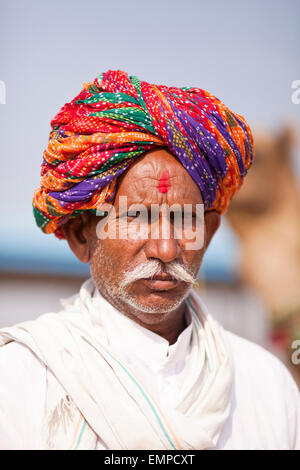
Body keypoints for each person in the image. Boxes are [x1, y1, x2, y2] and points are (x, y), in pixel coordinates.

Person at [0, 70, 299, 450]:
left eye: (185, 219)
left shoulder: (267, 388)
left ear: (208, 231)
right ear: (81, 235)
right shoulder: (20, 382)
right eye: (136, 217)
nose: (166, 249)